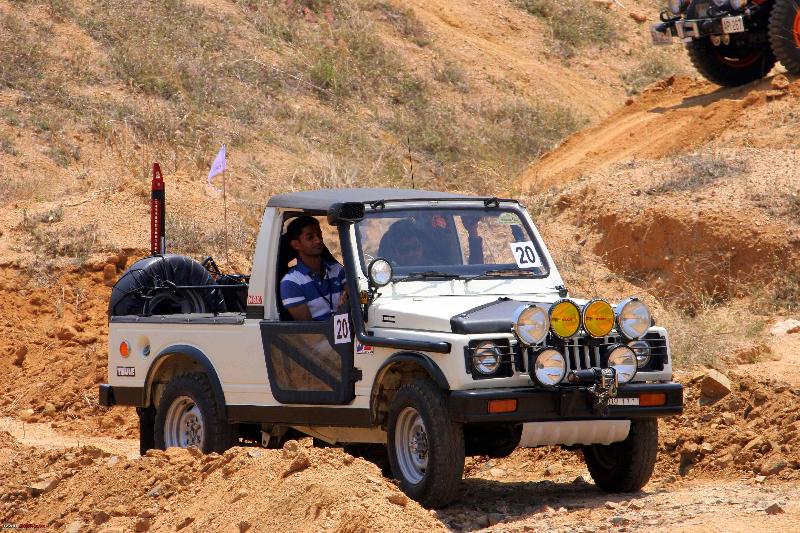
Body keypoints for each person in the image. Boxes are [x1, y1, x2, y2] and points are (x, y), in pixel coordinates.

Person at [279, 216, 347, 321]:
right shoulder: (291, 282)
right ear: (296, 244)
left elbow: (355, 292)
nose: (318, 241)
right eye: (310, 238)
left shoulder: (338, 270)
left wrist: (348, 296)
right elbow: (309, 328)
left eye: (319, 235)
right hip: (322, 332)